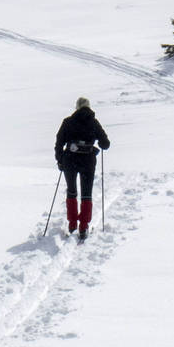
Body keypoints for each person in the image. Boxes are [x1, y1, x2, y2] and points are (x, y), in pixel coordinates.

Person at [54, 97, 111, 241]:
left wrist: (60, 160)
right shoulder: (94, 122)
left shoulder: (68, 122)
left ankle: (72, 224)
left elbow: (59, 142)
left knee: (71, 191)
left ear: (77, 107)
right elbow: (105, 143)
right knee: (87, 193)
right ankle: (83, 226)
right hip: (88, 160)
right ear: (89, 107)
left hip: (70, 160)